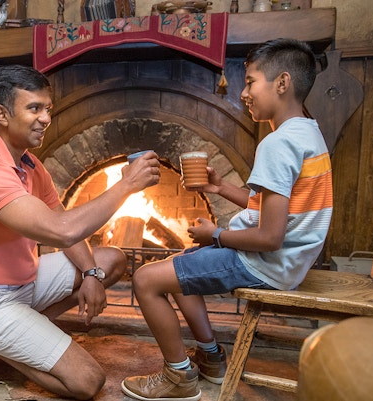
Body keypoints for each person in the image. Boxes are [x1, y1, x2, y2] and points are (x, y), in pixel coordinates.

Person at [121, 38, 333, 401]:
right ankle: (212, 360)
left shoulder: (278, 143)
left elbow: (269, 237)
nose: (244, 92)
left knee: (144, 279)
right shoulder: (307, 133)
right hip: (288, 262)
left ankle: (178, 378)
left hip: (265, 263)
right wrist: (220, 189)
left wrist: (215, 234)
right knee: (180, 266)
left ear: (282, 83)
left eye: (250, 81)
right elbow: (271, 208)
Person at [0, 64, 161, 400]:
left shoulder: (30, 163)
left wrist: (91, 273)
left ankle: (17, 333)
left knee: (110, 260)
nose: (46, 118)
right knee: (87, 381)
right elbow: (60, 231)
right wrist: (128, 184)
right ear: (2, 114)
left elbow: (63, 218)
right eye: (34, 108)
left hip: (26, 284)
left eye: (48, 108)